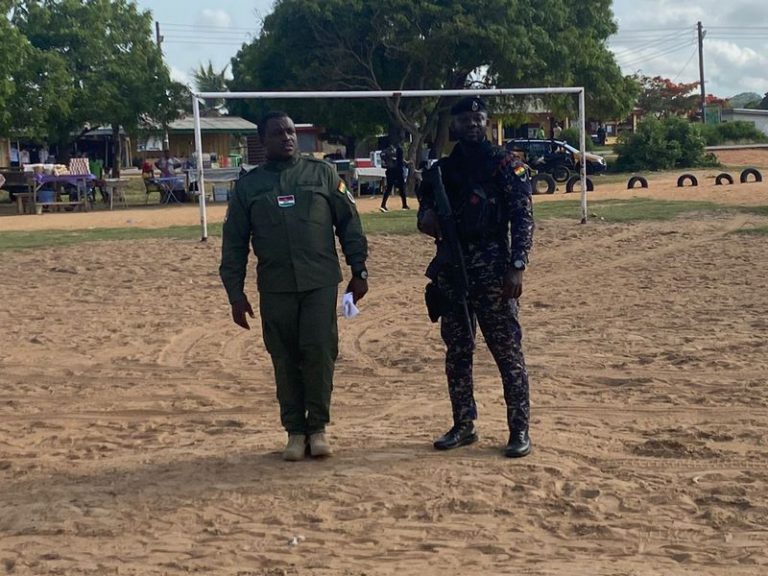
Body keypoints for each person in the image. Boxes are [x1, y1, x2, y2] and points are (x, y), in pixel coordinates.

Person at [220, 111, 369, 462]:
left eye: (290, 132)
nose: (287, 138)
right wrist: (235, 294)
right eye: (278, 133)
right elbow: (234, 244)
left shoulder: (322, 174)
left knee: (319, 351)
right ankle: (294, 432)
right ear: (263, 140)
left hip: (319, 281)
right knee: (284, 357)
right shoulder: (249, 187)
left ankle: (317, 429)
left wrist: (359, 270)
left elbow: (349, 224)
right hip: (276, 287)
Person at [416, 96, 535, 458]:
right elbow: (424, 209)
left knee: (507, 351)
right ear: (453, 124)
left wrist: (517, 265)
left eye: (478, 117)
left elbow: (522, 217)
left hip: (493, 268)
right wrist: (425, 218)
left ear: (486, 121)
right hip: (452, 268)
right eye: (465, 119)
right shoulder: (442, 171)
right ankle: (463, 424)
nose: (472, 123)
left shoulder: (504, 164)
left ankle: (519, 429)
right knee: (457, 351)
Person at [380, 142, 409, 212]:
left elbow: (383, 158)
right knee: (401, 188)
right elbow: (400, 160)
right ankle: (404, 205)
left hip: (390, 171)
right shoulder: (399, 150)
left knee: (389, 189)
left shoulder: (387, 151)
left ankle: (383, 205)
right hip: (398, 171)